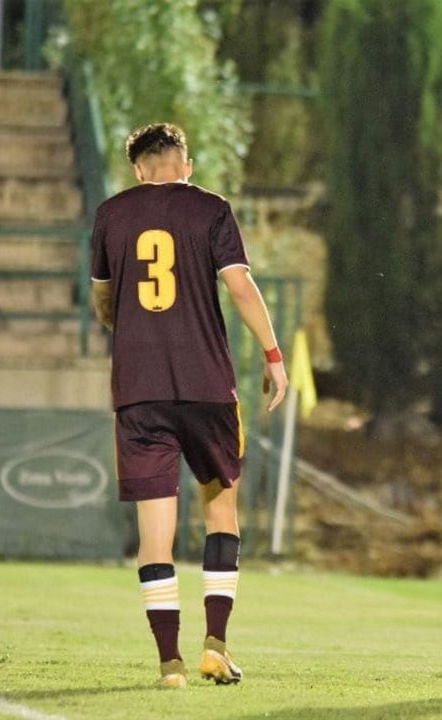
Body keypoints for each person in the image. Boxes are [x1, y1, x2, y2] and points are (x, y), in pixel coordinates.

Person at [90, 123, 288, 688]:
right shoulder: (212, 210)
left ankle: (169, 664)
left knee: (155, 533)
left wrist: (127, 326)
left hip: (139, 390)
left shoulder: (111, 214)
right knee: (221, 511)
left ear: (138, 169)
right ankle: (216, 645)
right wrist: (273, 355)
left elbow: (104, 299)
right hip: (206, 387)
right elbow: (241, 286)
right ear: (187, 164)